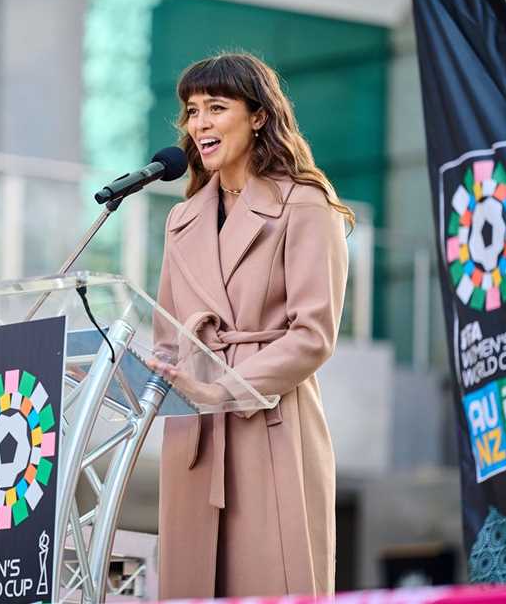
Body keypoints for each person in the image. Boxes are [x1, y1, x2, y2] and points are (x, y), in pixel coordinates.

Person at [149, 52, 354, 599]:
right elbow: (167, 335)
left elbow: (314, 335)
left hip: (271, 425)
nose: (200, 124)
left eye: (217, 107)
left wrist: (221, 388)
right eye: (193, 112)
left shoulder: (305, 206)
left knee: (272, 582)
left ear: (258, 116)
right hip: (193, 434)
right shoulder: (182, 218)